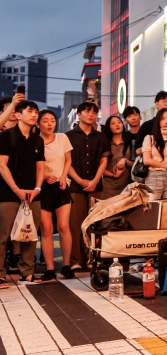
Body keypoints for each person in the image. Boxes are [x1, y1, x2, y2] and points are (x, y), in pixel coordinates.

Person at [0, 100, 44, 285]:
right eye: (30, 111)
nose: (34, 115)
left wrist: (37, 189)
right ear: (18, 115)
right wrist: (16, 189)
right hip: (8, 192)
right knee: (3, 235)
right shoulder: (7, 136)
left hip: (32, 193)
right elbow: (2, 165)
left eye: (36, 112)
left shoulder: (38, 139)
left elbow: (40, 167)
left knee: (30, 233)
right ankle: (0, 273)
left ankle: (27, 272)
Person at [66, 101, 110, 270]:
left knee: (94, 223)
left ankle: (92, 258)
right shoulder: (68, 136)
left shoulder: (101, 137)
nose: (91, 114)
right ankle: (75, 261)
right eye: (87, 111)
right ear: (79, 114)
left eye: (93, 112)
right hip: (75, 187)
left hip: (96, 187)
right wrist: (79, 180)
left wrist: (95, 180)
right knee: (75, 224)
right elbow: (66, 162)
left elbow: (104, 160)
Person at [35, 109, 73, 281]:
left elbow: (68, 160)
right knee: (47, 229)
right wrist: (44, 177)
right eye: (45, 120)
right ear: (38, 124)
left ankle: (66, 266)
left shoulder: (62, 138)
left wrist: (63, 176)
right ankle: (50, 268)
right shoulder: (34, 141)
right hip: (42, 188)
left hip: (61, 185)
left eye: (52, 120)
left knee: (63, 226)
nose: (50, 123)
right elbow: (33, 166)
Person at [142, 108, 167, 201]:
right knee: (151, 207)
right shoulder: (149, 138)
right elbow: (146, 160)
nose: (166, 122)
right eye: (162, 118)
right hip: (154, 176)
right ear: (158, 121)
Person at [101, 115, 132, 199]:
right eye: (113, 123)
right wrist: (112, 175)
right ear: (109, 127)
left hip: (126, 187)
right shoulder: (105, 144)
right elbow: (99, 167)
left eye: (119, 122)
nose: (117, 125)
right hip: (107, 187)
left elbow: (135, 165)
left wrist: (125, 160)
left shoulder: (130, 143)